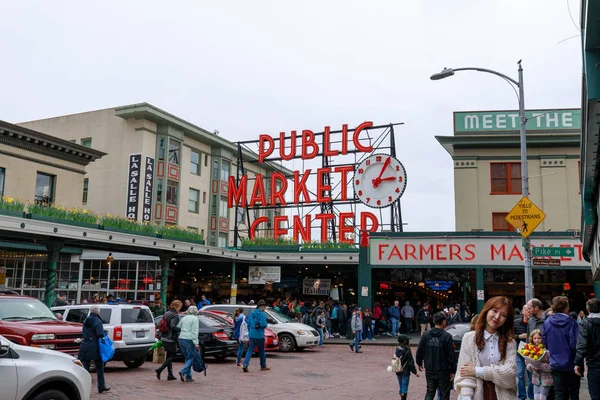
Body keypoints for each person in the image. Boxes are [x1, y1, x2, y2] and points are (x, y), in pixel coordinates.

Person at [454, 296, 517, 400]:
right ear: (487, 311)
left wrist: (477, 371)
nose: (497, 317)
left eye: (503, 315)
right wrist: (466, 397)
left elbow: (510, 375)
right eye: (494, 311)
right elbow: (465, 375)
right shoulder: (469, 338)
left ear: (507, 319)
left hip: (504, 396)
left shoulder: (510, 343)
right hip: (476, 395)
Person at [542, 296, 580, 399]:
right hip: (570, 362)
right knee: (573, 392)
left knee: (559, 392)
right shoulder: (571, 323)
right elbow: (574, 343)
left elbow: (545, 341)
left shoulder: (547, 322)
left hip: (555, 362)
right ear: (566, 307)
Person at [416, 311, 456, 400]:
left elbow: (420, 350)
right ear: (443, 322)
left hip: (430, 368)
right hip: (443, 370)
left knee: (430, 391)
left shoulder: (426, 334)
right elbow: (451, 355)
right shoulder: (447, 336)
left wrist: (419, 362)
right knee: (444, 394)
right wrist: (452, 370)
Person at [78, 305, 110, 393]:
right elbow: (99, 333)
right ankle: (101, 385)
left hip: (85, 345)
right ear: (98, 312)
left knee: (84, 367)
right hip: (95, 346)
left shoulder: (86, 320)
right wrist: (104, 333)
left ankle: (82, 386)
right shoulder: (97, 321)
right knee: (99, 366)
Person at [575, 298, 600, 400]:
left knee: (595, 396)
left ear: (587, 309)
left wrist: (577, 362)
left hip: (594, 365)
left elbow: (582, 345)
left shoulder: (585, 324)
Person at [155, 300, 182, 381]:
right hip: (170, 337)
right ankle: (159, 369)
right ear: (177, 307)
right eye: (180, 307)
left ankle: (170, 375)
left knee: (169, 356)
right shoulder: (175, 315)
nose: (180, 309)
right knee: (173, 355)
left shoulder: (167, 313)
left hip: (164, 336)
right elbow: (172, 326)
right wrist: (181, 329)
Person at [242, 300, 269, 372]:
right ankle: (263, 365)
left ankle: (245, 364)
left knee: (250, 350)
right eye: (264, 306)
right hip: (259, 335)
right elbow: (263, 324)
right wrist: (266, 324)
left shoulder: (252, 313)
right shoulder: (262, 314)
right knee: (262, 351)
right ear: (262, 306)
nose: (265, 308)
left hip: (252, 334)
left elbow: (248, 324)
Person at [526, 329, 553, 400]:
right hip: (536, 379)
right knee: (536, 397)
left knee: (542, 397)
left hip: (546, 378)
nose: (537, 340)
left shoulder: (547, 351)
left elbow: (552, 366)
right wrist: (531, 366)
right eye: (534, 338)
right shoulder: (530, 350)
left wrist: (540, 366)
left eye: (539, 338)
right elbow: (528, 367)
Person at [515, 304, 534, 400]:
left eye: (529, 309)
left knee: (531, 376)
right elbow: (509, 336)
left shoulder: (533, 323)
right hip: (519, 352)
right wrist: (519, 336)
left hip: (531, 352)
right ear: (522, 312)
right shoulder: (516, 323)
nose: (528, 311)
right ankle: (522, 396)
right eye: (526, 310)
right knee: (520, 374)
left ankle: (531, 396)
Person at [176, 306, 200, 382]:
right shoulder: (195, 319)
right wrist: (196, 343)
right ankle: (183, 371)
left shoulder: (184, 318)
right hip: (189, 339)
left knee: (187, 358)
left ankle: (189, 377)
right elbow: (195, 332)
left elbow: (178, 326)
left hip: (181, 338)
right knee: (192, 357)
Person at [394, 334, 419, 400]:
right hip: (405, 371)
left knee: (401, 385)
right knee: (404, 386)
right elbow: (411, 363)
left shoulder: (397, 350)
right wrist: (415, 372)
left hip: (398, 370)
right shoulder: (407, 351)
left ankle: (401, 396)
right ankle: (403, 398)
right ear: (405, 342)